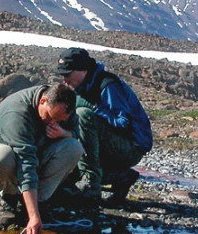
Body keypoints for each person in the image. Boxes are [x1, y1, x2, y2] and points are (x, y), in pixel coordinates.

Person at [0, 83, 83, 234]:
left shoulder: (64, 105)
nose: (53, 123)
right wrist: (34, 216)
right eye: (50, 117)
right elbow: (25, 163)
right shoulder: (17, 113)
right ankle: (8, 199)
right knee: (4, 155)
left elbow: (76, 133)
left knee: (74, 147)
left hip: (35, 155)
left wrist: (63, 133)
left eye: (59, 121)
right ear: (42, 101)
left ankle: (39, 200)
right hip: (2, 161)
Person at [55, 47, 152, 204]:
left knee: (83, 115)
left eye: (68, 74)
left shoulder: (108, 85)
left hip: (131, 147)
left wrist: (94, 108)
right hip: (110, 143)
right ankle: (121, 177)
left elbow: (123, 123)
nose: (65, 80)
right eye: (62, 75)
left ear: (83, 70)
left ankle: (91, 184)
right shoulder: (79, 86)